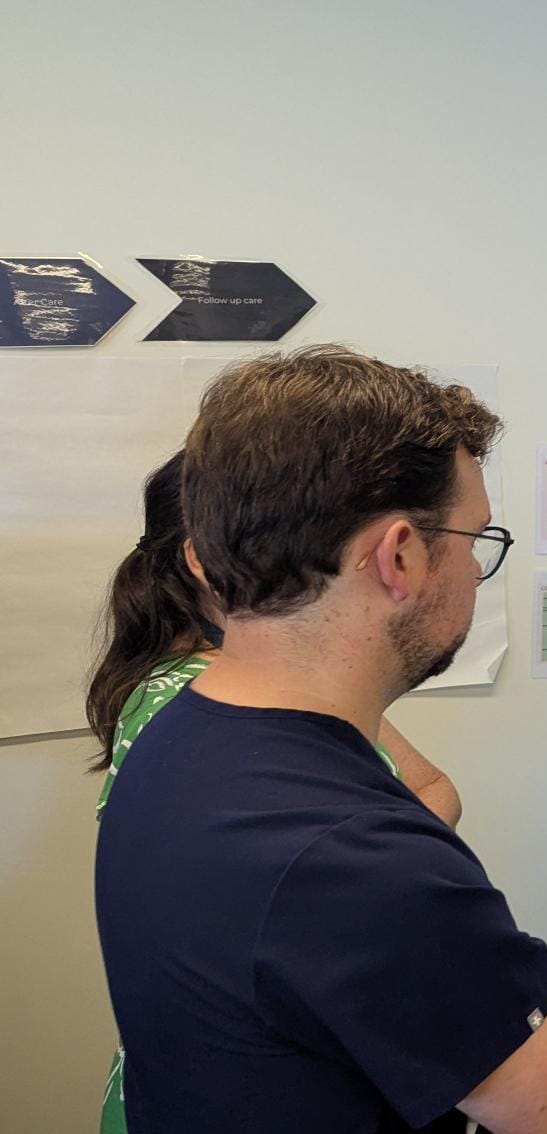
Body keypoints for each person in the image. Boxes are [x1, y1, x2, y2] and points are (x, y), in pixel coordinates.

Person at [95, 346, 547, 1133]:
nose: (472, 570)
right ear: (401, 556)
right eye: (473, 538)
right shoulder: (356, 860)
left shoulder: (172, 736)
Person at [85, 450, 464, 1133]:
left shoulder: (280, 696)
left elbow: (434, 789)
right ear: (209, 562)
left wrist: (383, 881)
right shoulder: (184, 705)